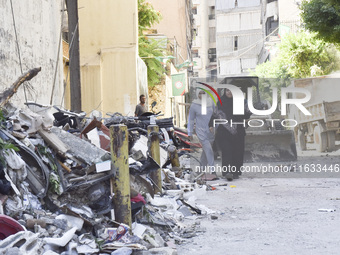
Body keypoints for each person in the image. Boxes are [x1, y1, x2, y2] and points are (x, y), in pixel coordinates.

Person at [212, 88, 252, 181]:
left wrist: (248, 110)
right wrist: (211, 125)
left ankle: (236, 172)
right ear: (224, 92)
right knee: (226, 151)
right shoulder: (220, 103)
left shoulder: (240, 102)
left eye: (231, 90)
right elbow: (214, 115)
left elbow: (245, 115)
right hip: (224, 132)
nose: (229, 92)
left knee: (237, 152)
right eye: (227, 90)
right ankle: (227, 173)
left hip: (238, 131)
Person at [187, 89, 215, 173]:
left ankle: (201, 169)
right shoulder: (194, 105)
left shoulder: (211, 102)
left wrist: (214, 126)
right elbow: (191, 119)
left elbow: (215, 115)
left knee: (206, 151)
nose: (202, 95)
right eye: (200, 93)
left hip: (211, 130)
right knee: (208, 149)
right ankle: (212, 170)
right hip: (200, 130)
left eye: (204, 93)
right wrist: (190, 132)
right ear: (197, 94)